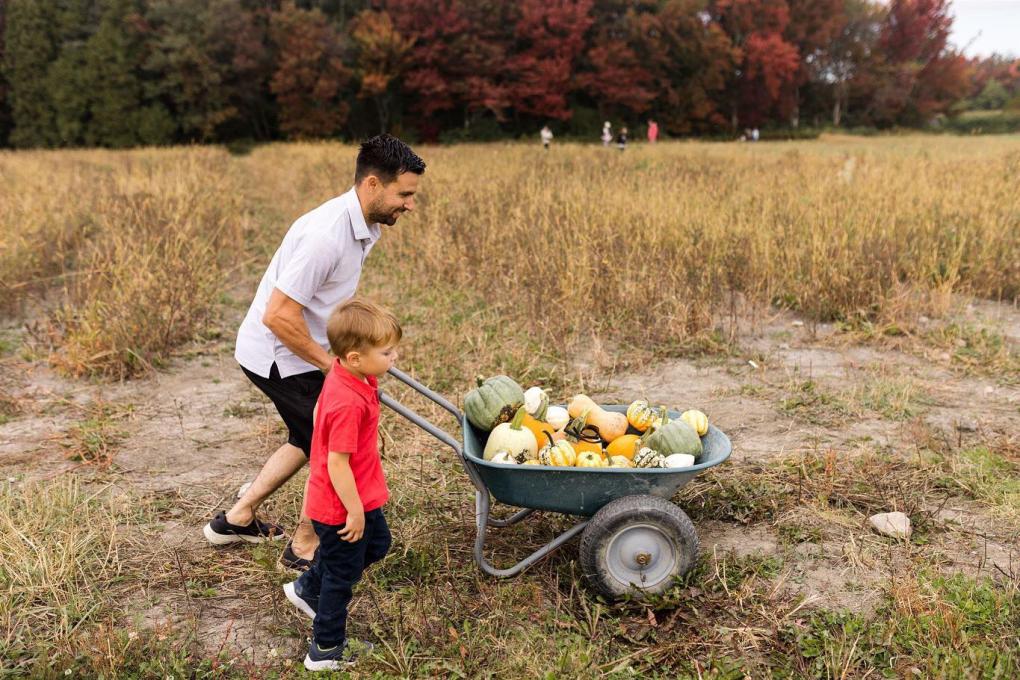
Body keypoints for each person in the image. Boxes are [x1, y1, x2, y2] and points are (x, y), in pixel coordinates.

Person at [202, 135, 425, 571]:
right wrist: (335, 369)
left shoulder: (366, 225)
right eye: (405, 194)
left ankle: (236, 518)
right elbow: (279, 316)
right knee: (332, 444)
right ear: (373, 185)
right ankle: (304, 547)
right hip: (278, 355)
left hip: (297, 350)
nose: (410, 205)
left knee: (306, 437)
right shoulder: (326, 235)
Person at [283, 297, 400, 670]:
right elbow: (336, 463)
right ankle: (326, 649)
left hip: (360, 494)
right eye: (387, 352)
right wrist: (353, 511)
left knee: (378, 544)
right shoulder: (347, 402)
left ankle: (306, 587)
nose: (394, 357)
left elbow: (320, 415)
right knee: (342, 575)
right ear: (354, 357)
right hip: (341, 506)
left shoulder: (348, 375)